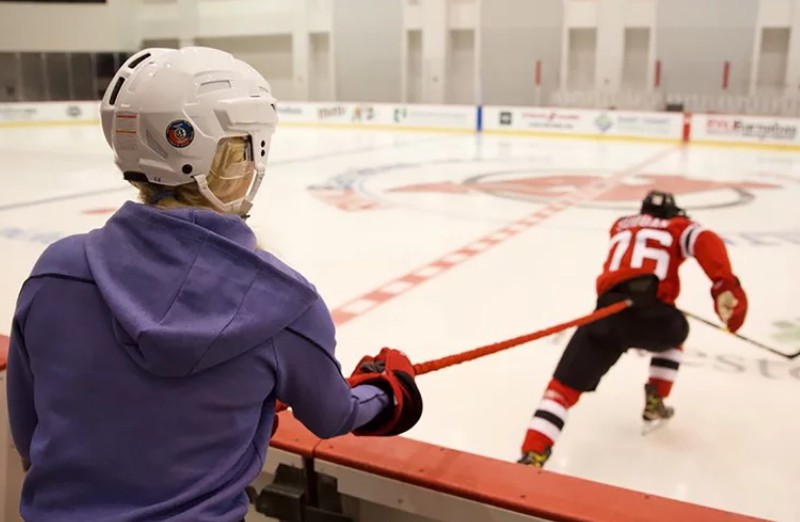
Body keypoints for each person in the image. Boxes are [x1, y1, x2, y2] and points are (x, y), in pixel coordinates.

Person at [6, 47, 422, 522]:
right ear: (231, 157)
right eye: (249, 147)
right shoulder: (283, 306)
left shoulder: (56, 273)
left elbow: (28, 430)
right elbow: (334, 415)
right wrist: (388, 393)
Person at [517, 190, 748, 468]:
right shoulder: (677, 226)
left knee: (561, 389)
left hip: (607, 315)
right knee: (677, 333)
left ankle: (533, 452)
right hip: (655, 319)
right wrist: (724, 284)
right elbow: (704, 239)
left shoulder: (620, 224)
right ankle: (656, 398)